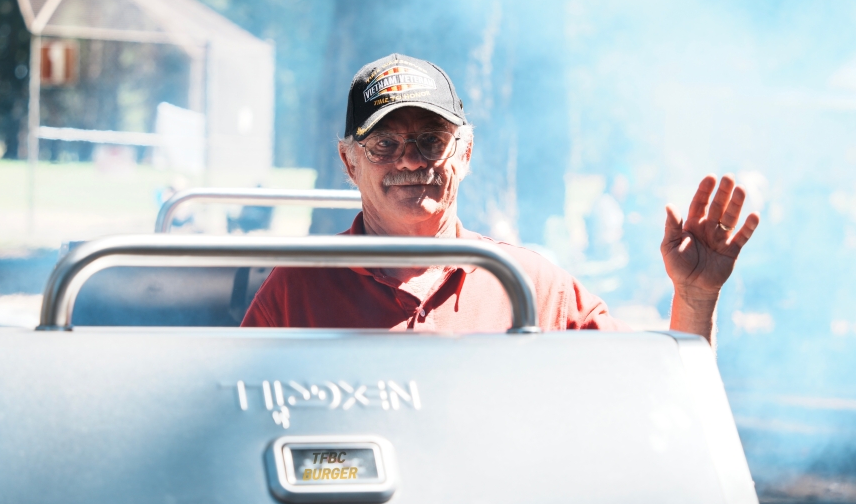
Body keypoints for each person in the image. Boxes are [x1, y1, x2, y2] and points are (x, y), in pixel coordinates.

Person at [242, 53, 759, 346]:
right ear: (349, 161)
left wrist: (695, 296)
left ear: (465, 153)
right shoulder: (297, 288)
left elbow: (660, 394)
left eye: (431, 141)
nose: (411, 161)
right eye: (384, 144)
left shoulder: (530, 285)